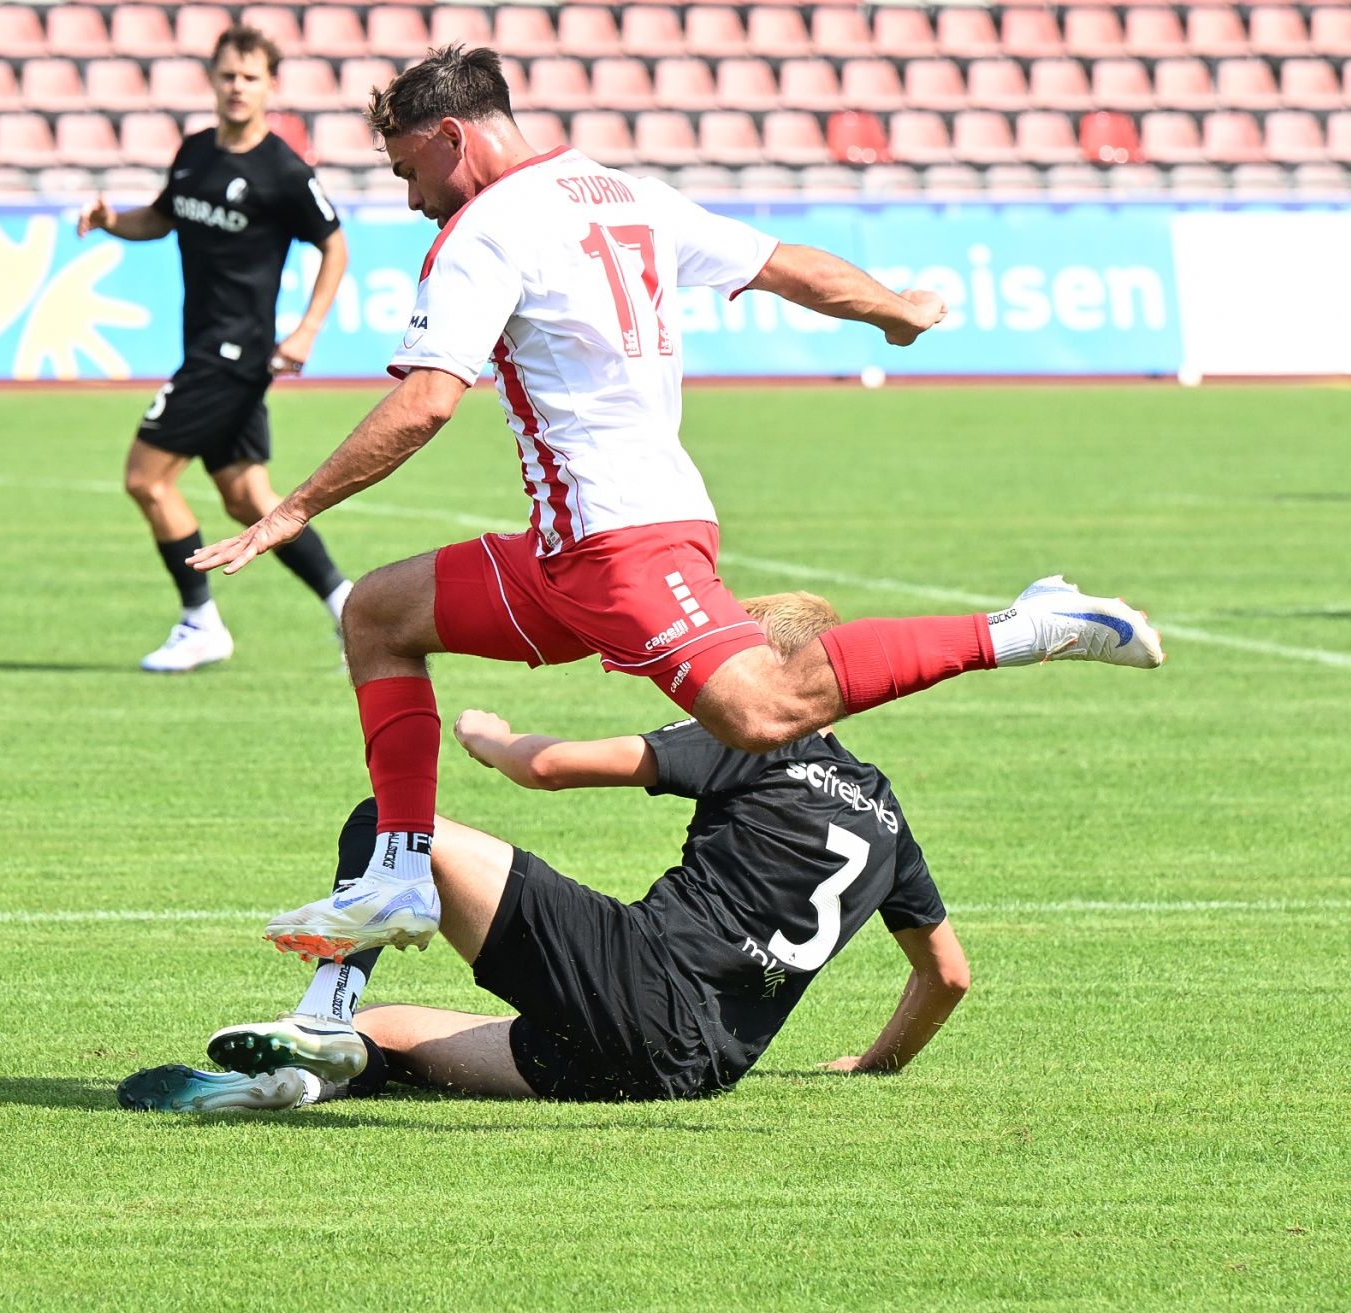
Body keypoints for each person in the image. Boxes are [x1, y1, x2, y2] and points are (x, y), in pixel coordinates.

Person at [186, 45, 1161, 954]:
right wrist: (895, 309)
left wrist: (294, 507)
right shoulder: (626, 193)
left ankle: (1034, 624)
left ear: (451, 137)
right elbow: (785, 264)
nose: (411, 198)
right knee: (376, 614)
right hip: (572, 548)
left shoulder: (482, 231)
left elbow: (428, 401)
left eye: (409, 171)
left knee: (763, 710)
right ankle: (401, 875)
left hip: (623, 543)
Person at [117, 592, 970, 1111]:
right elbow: (947, 976)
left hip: (637, 983)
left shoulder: (755, 735)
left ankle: (317, 1015)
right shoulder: (887, 819)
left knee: (391, 822)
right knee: (386, 1036)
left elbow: (552, 767)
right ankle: (298, 1076)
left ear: (778, 673)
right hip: (689, 1068)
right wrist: (872, 1064)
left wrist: (491, 736)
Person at [79, 24, 355, 673]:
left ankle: (200, 622)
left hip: (232, 353)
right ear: (211, 77)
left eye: (250, 77)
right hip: (205, 345)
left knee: (146, 479)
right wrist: (112, 220)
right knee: (248, 498)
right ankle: (351, 608)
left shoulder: (283, 171)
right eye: (228, 74)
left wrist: (307, 329)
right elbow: (160, 218)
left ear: (270, 86)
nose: (237, 87)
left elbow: (335, 246)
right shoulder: (196, 152)